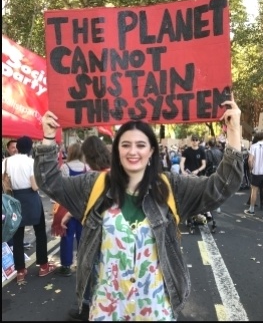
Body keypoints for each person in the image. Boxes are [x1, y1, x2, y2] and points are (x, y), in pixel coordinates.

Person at [34, 96, 243, 321]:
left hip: (155, 311)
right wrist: (47, 137)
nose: (133, 151)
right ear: (116, 150)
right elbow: (50, 183)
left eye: (141, 145)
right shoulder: (93, 187)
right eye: (125, 145)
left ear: (151, 151)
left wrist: (234, 132)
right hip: (106, 310)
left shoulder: (171, 187)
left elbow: (221, 186)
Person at [67, 135, 111, 321]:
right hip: (115, 234)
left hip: (99, 231)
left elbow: (90, 203)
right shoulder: (113, 172)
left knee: (91, 267)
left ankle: (88, 306)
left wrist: (68, 214)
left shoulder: (95, 177)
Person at [6, 136, 56, 284]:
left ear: (18, 147)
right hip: (31, 199)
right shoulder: (31, 162)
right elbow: (35, 186)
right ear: (30, 148)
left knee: (17, 236)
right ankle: (43, 266)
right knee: (40, 232)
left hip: (13, 201)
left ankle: (20, 271)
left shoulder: (6, 162)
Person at [55, 143, 90, 277]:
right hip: (83, 207)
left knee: (67, 236)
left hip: (68, 206)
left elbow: (62, 188)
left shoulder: (65, 167)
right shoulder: (87, 168)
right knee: (83, 237)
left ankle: (66, 266)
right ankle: (83, 264)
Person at [244, 131, 263, 215]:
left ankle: (251, 209)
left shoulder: (254, 146)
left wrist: (251, 168)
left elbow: (250, 160)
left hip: (256, 172)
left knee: (254, 190)